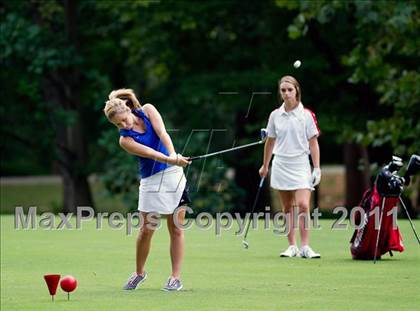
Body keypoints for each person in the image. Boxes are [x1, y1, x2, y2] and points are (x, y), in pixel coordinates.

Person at [104, 88, 191, 291]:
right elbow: (151, 153)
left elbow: (162, 133)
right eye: (118, 124)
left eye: (123, 119)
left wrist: (174, 155)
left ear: (127, 108)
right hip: (151, 182)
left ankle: (175, 278)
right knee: (146, 230)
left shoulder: (148, 110)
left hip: (173, 178)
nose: (123, 125)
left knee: (176, 229)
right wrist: (171, 159)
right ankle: (139, 273)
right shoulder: (125, 140)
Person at [259, 75, 321, 259]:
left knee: (303, 204)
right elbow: (269, 143)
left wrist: (316, 168)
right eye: (283, 90)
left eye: (290, 90)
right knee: (287, 207)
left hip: (301, 163)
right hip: (281, 164)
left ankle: (305, 247)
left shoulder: (306, 115)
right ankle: (292, 246)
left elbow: (313, 143)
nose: (286, 93)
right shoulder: (275, 116)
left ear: (296, 91)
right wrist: (265, 165)